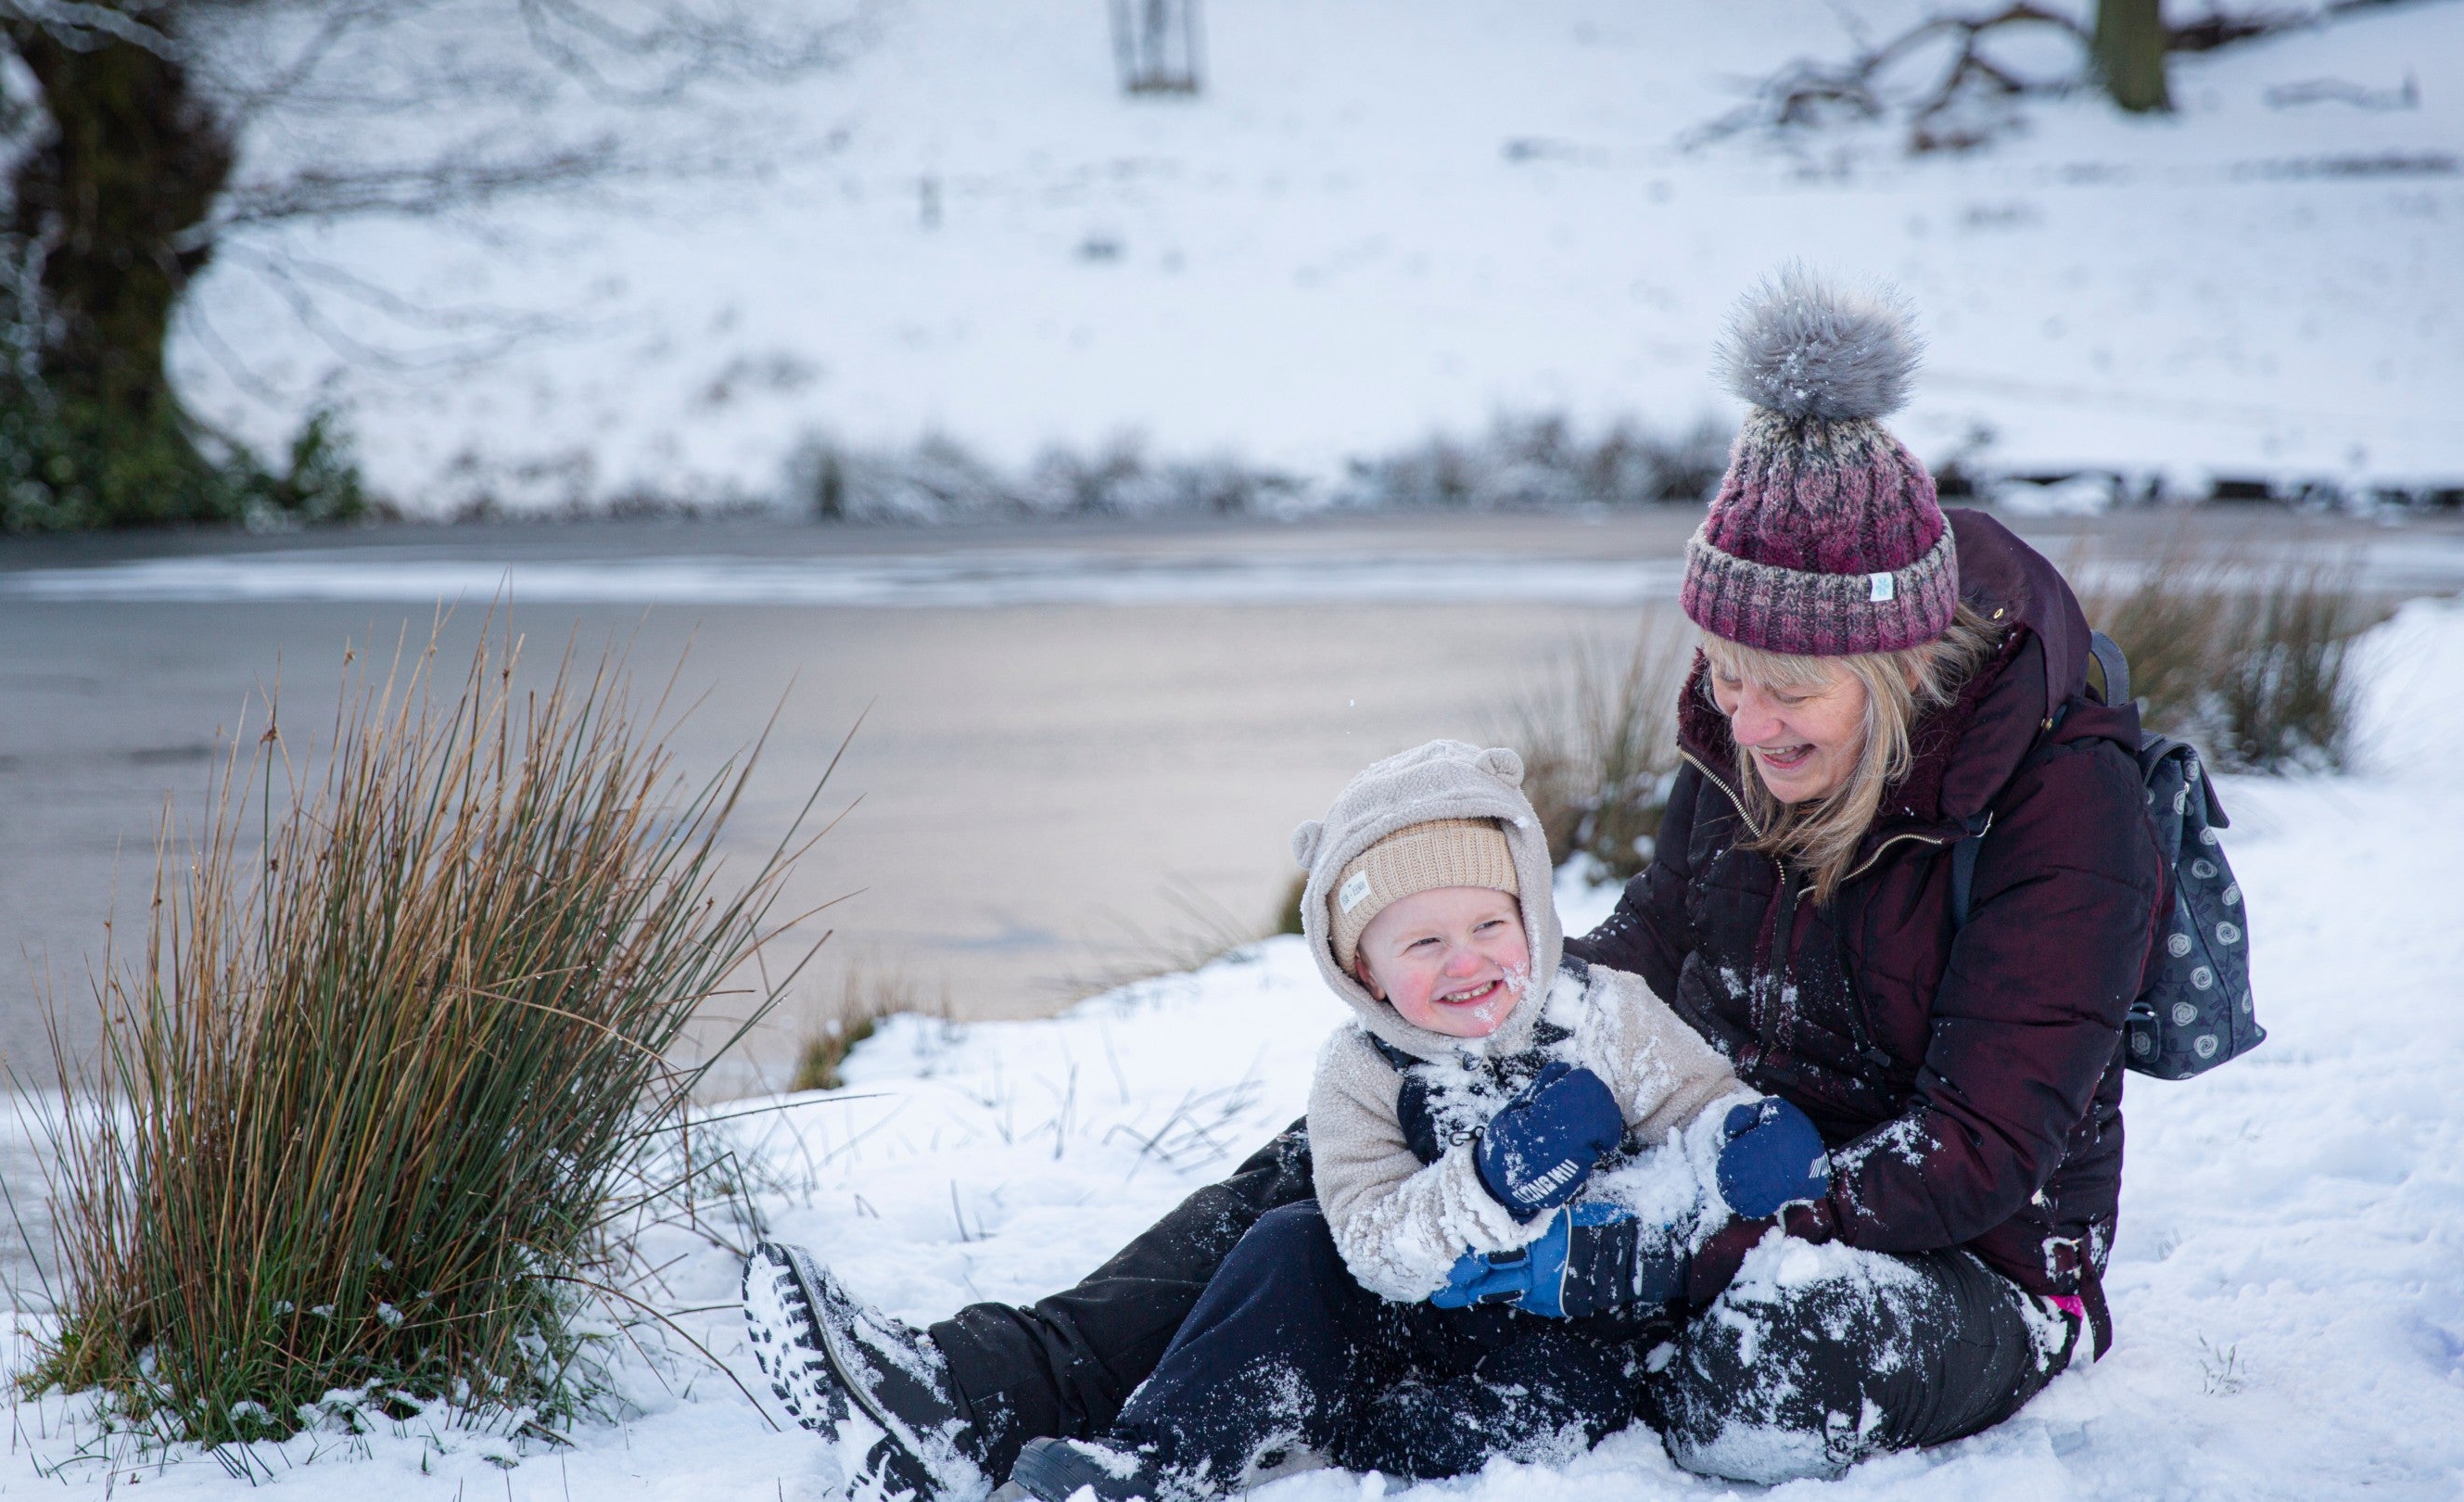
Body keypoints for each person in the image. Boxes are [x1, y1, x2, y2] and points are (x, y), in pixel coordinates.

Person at [741, 268, 2164, 1496]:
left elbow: (1985, 1147)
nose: (1747, 717)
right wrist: (1472, 1034)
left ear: (1894, 664)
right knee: (1384, 1128)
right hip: (1692, 1141)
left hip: (1950, 1260)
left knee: (1761, 1372)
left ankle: (1419, 1380)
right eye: (1723, 674)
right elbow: (1649, 955)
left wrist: (1694, 1232)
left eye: (1789, 688)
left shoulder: (2063, 806)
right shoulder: (1745, 740)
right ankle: (983, 1390)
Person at [992, 741, 1829, 1502]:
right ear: (1366, 970)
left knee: (1552, 1416)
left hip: (1571, 1332)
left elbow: (1693, 1098)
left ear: (1530, 918)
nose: (1466, 961)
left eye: (1490, 926)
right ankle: (1159, 1460)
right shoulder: (1359, 1073)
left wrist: (1739, 1133)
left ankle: (1352, 1423)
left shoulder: (1601, 1014)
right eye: (1423, 944)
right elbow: (1371, 1242)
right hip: (1407, 1312)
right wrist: (1490, 1181)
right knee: (1289, 1241)